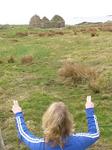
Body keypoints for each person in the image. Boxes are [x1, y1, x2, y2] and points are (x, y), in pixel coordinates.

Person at [12, 96, 100, 150]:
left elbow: (23, 133)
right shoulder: (80, 141)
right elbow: (95, 133)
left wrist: (18, 113)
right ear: (69, 122)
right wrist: (89, 109)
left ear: (46, 121)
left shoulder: (39, 146)